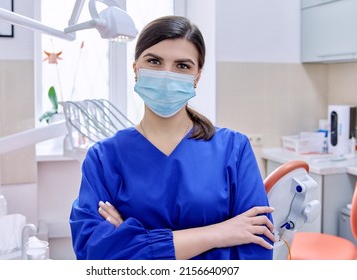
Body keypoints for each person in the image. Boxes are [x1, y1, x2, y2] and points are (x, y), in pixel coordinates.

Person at [69, 15, 275, 260]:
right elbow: (95, 254)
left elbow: (256, 249)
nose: (167, 74)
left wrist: (133, 241)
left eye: (182, 66)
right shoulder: (104, 157)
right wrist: (220, 233)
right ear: (136, 69)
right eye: (154, 61)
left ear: (197, 76)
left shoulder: (234, 149)